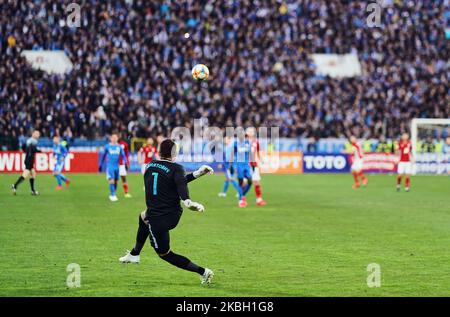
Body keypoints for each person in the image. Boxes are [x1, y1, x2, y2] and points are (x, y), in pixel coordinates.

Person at [119, 139, 215, 285]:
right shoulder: (177, 169)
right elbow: (179, 183)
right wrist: (196, 179)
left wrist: (189, 199)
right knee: (143, 216)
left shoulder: (150, 165)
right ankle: (134, 254)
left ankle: (204, 272)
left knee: (165, 254)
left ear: (159, 152)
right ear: (174, 153)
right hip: (171, 214)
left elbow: (176, 182)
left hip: (159, 218)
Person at [99, 134, 128, 202]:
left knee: (115, 181)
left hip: (116, 166)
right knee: (111, 180)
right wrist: (100, 165)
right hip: (110, 166)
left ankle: (113, 193)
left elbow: (123, 155)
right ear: (111, 139)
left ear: (117, 139)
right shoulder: (107, 146)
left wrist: (126, 162)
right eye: (113, 138)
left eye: (116, 137)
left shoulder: (119, 147)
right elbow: (103, 156)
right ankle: (113, 194)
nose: (114, 139)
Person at [11, 130, 41, 195]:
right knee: (25, 175)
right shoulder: (34, 141)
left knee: (33, 174)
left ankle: (33, 191)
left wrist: (27, 152)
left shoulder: (28, 140)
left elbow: (23, 147)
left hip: (27, 159)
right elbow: (34, 149)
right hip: (29, 160)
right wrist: (40, 151)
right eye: (36, 133)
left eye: (38, 134)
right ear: (33, 134)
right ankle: (15, 185)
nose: (38, 135)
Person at [218, 136, 245, 207]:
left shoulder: (230, 147)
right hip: (229, 164)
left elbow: (231, 156)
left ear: (229, 140)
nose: (224, 140)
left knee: (231, 179)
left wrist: (230, 165)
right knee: (227, 179)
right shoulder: (227, 147)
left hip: (230, 164)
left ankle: (240, 192)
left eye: (226, 139)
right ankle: (223, 193)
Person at [230, 129, 253, 205]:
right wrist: (231, 165)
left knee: (250, 181)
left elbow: (250, 154)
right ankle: (241, 200)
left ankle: (242, 195)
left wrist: (252, 163)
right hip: (239, 165)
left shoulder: (247, 143)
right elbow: (232, 154)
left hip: (246, 165)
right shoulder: (235, 143)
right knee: (240, 182)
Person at [246, 127, 267, 206]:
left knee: (256, 182)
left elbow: (258, 152)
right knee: (244, 182)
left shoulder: (256, 142)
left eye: (252, 131)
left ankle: (259, 200)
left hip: (254, 164)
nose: (251, 132)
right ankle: (242, 199)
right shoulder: (244, 142)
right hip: (246, 165)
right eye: (250, 131)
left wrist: (262, 159)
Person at [118, 132, 132, 198]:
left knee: (123, 178)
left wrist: (128, 163)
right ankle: (113, 193)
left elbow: (126, 155)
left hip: (121, 164)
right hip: (114, 164)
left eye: (118, 135)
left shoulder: (124, 144)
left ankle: (126, 193)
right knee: (114, 179)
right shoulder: (112, 145)